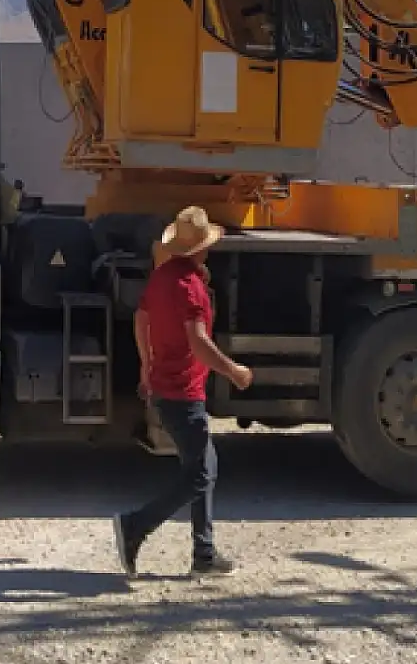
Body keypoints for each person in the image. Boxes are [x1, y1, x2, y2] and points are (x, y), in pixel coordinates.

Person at [114, 206, 253, 579]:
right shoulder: (189, 287)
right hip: (182, 393)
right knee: (198, 476)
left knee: (205, 465)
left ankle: (204, 553)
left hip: (166, 387)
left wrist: (147, 363)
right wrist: (234, 371)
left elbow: (140, 318)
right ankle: (134, 527)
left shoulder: (162, 278)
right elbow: (200, 344)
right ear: (201, 249)